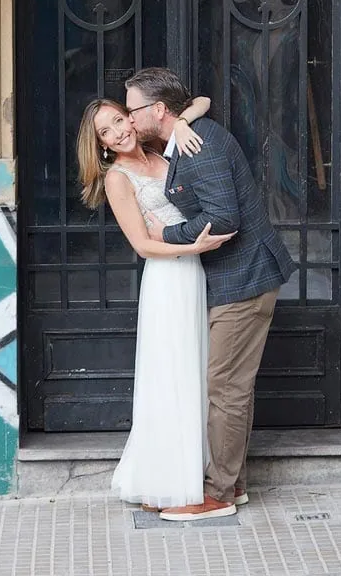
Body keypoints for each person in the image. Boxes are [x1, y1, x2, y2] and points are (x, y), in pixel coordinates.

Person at [124, 67, 296, 522]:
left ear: (159, 110)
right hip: (234, 279)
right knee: (231, 386)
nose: (129, 118)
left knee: (225, 388)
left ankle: (218, 493)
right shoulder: (185, 135)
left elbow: (223, 219)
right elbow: (197, 103)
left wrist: (167, 233)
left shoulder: (199, 146)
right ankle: (233, 483)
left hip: (245, 278)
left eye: (133, 109)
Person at [76, 94, 235, 510]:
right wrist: (192, 248)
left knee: (196, 369)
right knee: (171, 373)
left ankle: (197, 471)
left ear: (132, 118)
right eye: (106, 132)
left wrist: (181, 122)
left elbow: (203, 101)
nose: (117, 132)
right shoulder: (117, 178)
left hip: (194, 273)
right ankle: (165, 479)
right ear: (101, 145)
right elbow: (143, 245)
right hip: (167, 279)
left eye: (119, 120)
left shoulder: (161, 150)